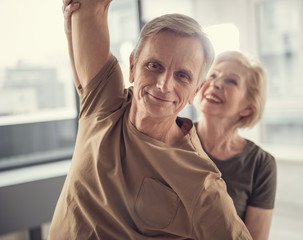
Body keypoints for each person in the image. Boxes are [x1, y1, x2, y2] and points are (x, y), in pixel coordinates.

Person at [49, 0, 252, 239]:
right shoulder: (103, 101)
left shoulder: (201, 180)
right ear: (133, 66)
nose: (163, 85)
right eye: (154, 65)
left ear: (196, 91)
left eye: (182, 76)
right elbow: (88, 7)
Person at [194, 51, 277, 240]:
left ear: (248, 107)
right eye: (212, 75)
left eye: (231, 81)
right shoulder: (173, 136)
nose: (215, 83)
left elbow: (255, 237)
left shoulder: (262, 164)